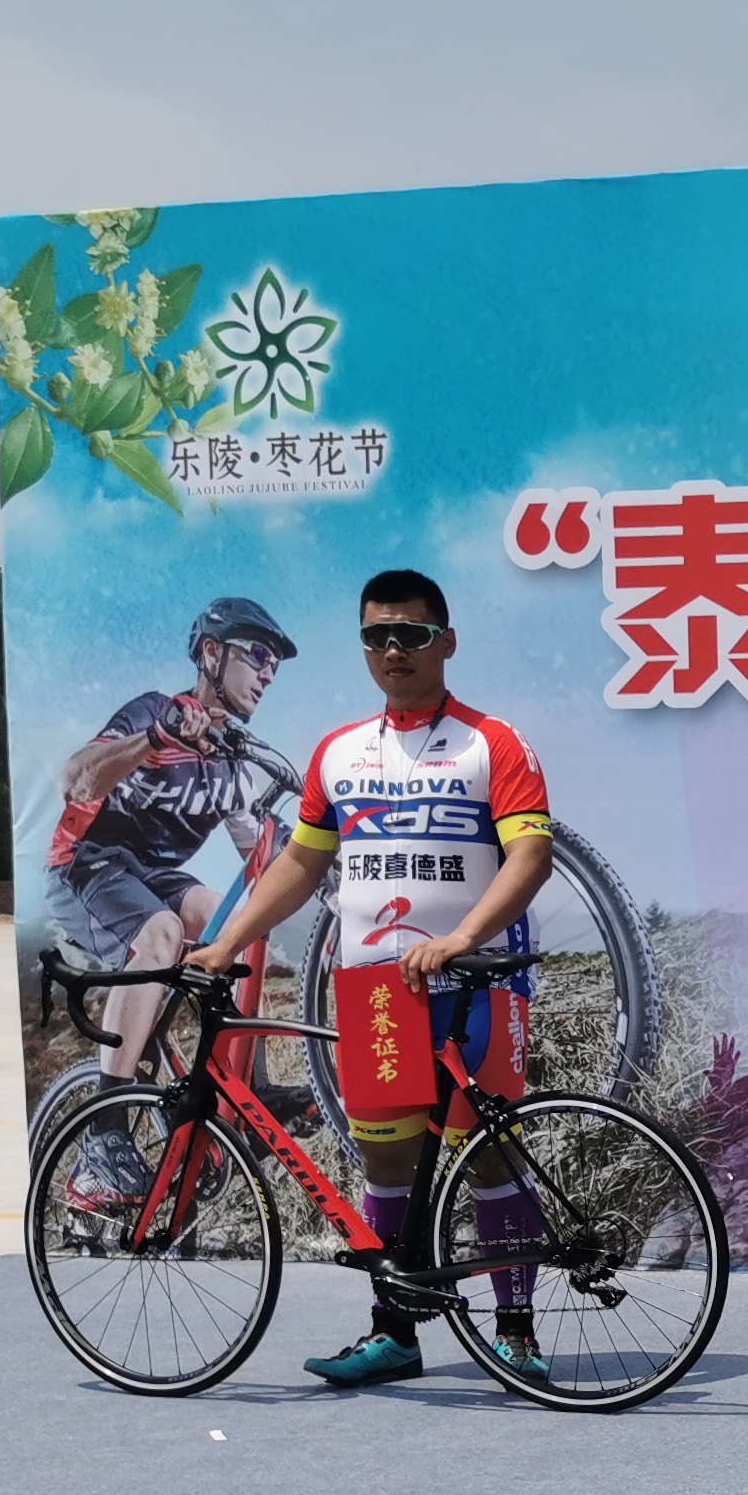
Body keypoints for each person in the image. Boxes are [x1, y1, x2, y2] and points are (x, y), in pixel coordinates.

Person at [192, 571, 555, 1388]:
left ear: (446, 642)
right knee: (386, 1165)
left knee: (490, 1160)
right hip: (375, 990)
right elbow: (300, 864)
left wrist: (461, 937)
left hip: (474, 985)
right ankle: (395, 1333)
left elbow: (531, 855)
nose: (393, 650)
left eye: (411, 634)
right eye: (376, 636)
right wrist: (227, 944)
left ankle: (517, 1335)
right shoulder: (338, 752)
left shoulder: (493, 742)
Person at [44, 596, 301, 1184]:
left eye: (275, 666)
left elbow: (264, 859)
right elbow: (74, 780)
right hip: (85, 863)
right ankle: (104, 1130)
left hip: (153, 878)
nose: (268, 673)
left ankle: (251, 1087)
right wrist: (154, 738)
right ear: (211, 653)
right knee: (160, 931)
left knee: (233, 924)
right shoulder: (153, 711)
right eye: (258, 655)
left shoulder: (232, 759)